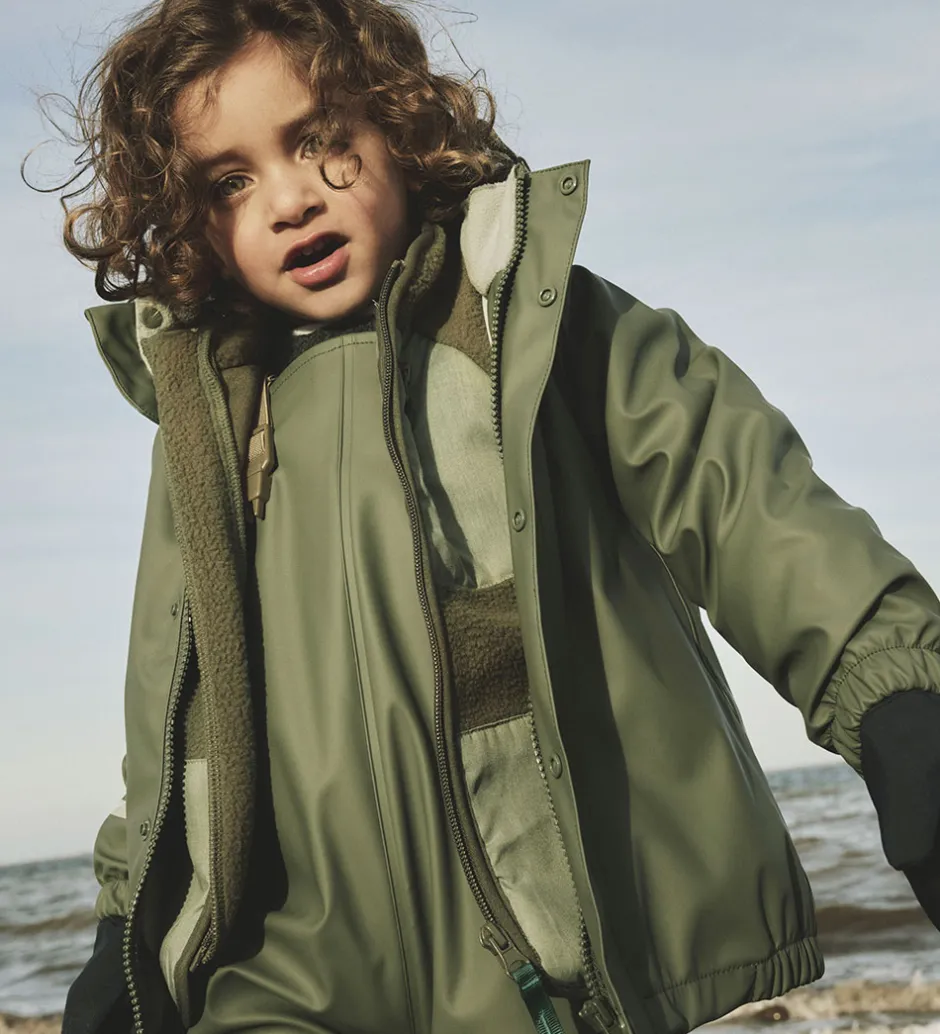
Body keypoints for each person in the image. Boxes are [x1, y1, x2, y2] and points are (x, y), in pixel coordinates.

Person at [47, 1, 940, 1033]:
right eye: (229, 182)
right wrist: (125, 920)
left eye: (319, 139)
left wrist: (895, 697)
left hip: (548, 960)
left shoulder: (536, 325)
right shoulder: (208, 428)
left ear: (397, 124)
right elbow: (171, 705)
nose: (289, 200)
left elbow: (744, 501)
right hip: (279, 978)